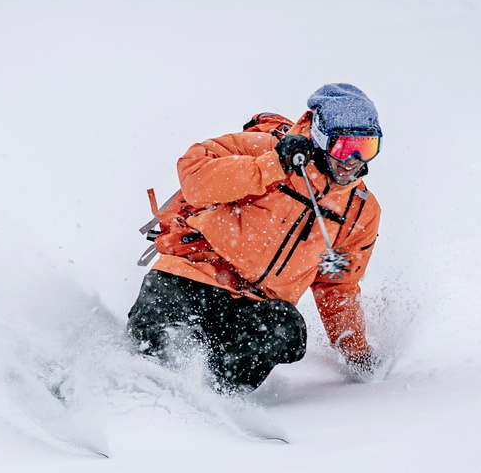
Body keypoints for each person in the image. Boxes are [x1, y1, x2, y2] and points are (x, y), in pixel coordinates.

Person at [128, 83, 384, 392]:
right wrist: (273, 164)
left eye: (366, 148)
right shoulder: (265, 149)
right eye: (342, 147)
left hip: (255, 308)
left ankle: (210, 401)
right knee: (155, 341)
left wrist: (356, 353)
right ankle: (127, 384)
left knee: (285, 326)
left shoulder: (359, 211)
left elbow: (337, 287)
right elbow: (194, 176)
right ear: (319, 136)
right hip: (192, 277)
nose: (353, 160)